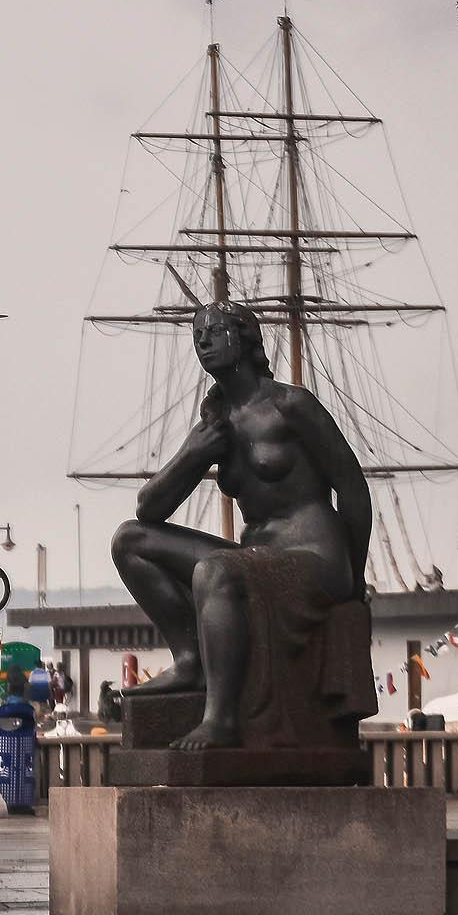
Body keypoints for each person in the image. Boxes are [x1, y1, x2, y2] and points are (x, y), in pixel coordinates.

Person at [109, 300, 372, 750]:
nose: (203, 342)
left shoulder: (291, 406)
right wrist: (194, 453)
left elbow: (352, 488)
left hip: (315, 557)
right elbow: (149, 511)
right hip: (256, 555)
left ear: (246, 338)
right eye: (197, 336)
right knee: (129, 542)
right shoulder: (216, 424)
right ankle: (190, 658)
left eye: (214, 331)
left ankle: (222, 720)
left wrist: (354, 577)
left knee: (215, 570)